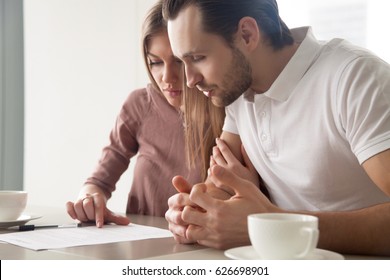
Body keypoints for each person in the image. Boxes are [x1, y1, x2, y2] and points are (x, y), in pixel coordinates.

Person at [162, 0, 390, 256]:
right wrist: (196, 212)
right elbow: (221, 187)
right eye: (184, 62)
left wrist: (271, 223)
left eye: (198, 58)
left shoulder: (354, 78)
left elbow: (257, 217)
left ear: (247, 34)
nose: (190, 80)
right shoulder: (238, 92)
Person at [65, 0, 225, 227]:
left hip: (202, 242)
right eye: (155, 62)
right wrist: (89, 198)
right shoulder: (139, 104)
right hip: (143, 241)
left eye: (178, 62)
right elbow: (98, 181)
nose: (167, 78)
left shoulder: (228, 109)